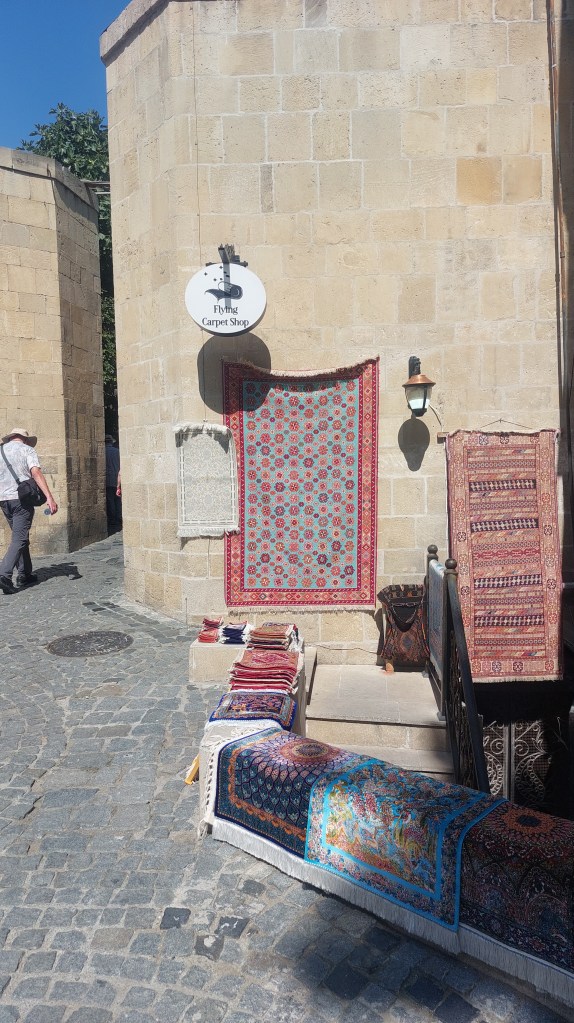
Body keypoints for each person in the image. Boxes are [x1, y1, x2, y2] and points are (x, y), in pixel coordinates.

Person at [0, 427, 58, 594]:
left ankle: (25, 573)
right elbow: (36, 472)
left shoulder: (1, 450)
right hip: (21, 499)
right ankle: (4, 574)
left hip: (3, 499)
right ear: (24, 439)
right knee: (19, 538)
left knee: (20, 536)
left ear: (11, 437)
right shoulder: (27, 450)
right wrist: (49, 497)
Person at [105, 434, 122, 532]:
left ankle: (112, 519)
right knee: (118, 500)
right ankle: (119, 517)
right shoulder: (117, 451)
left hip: (108, 479)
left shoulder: (103, 452)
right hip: (117, 478)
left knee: (110, 500)